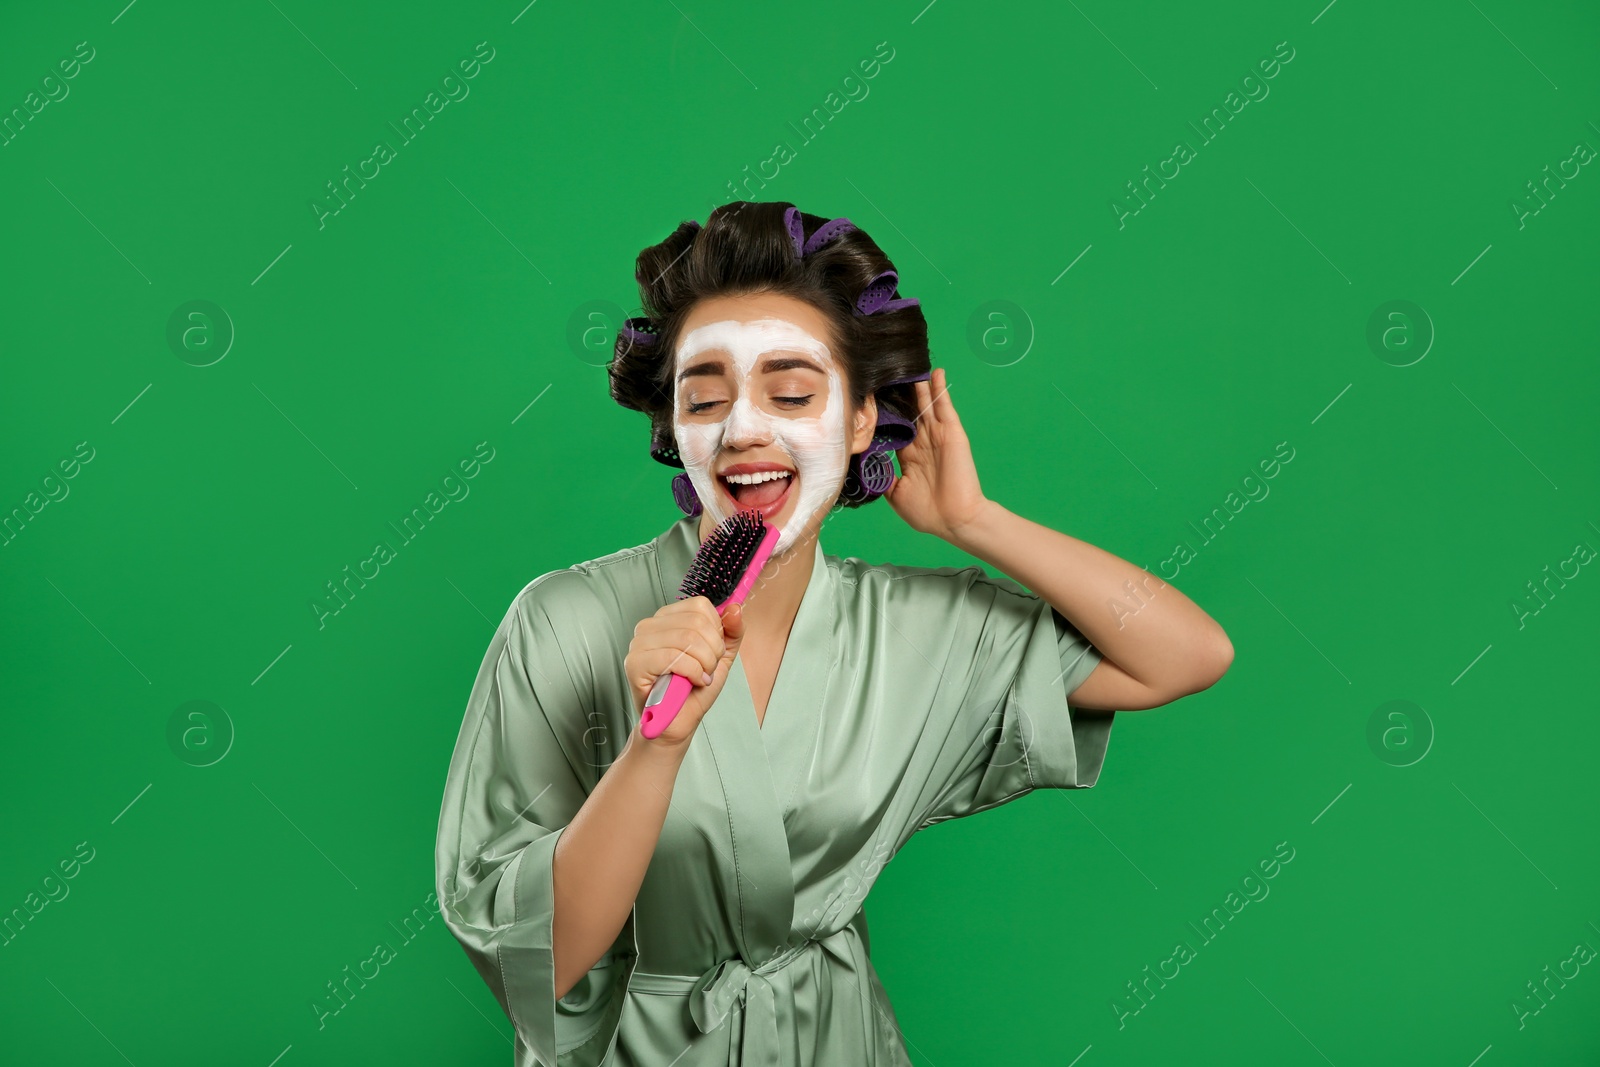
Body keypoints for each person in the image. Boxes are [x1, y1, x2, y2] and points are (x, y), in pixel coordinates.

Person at [434, 201, 1233, 1066]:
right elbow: (540, 963)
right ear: (677, 427)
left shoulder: (922, 632)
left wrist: (974, 520)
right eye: (705, 396)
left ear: (860, 421)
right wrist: (654, 749)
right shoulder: (564, 623)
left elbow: (1188, 654)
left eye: (791, 391)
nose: (744, 429)